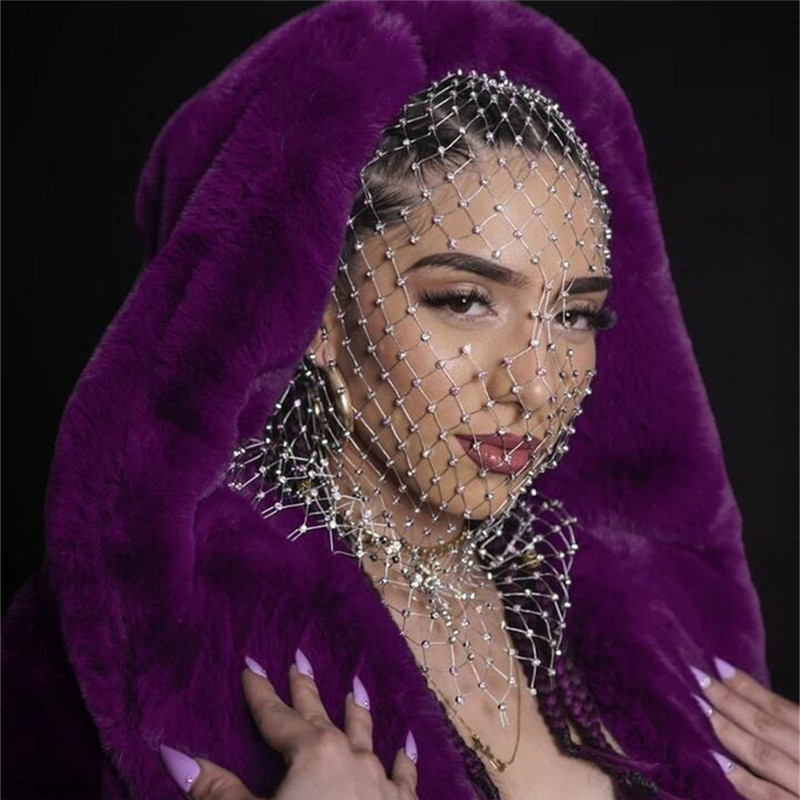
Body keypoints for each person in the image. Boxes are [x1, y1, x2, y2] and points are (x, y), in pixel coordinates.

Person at [2, 2, 796, 800]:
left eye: (576, 314)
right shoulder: (159, 635)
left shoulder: (640, 613)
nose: (535, 385)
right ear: (316, 307)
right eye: (465, 300)